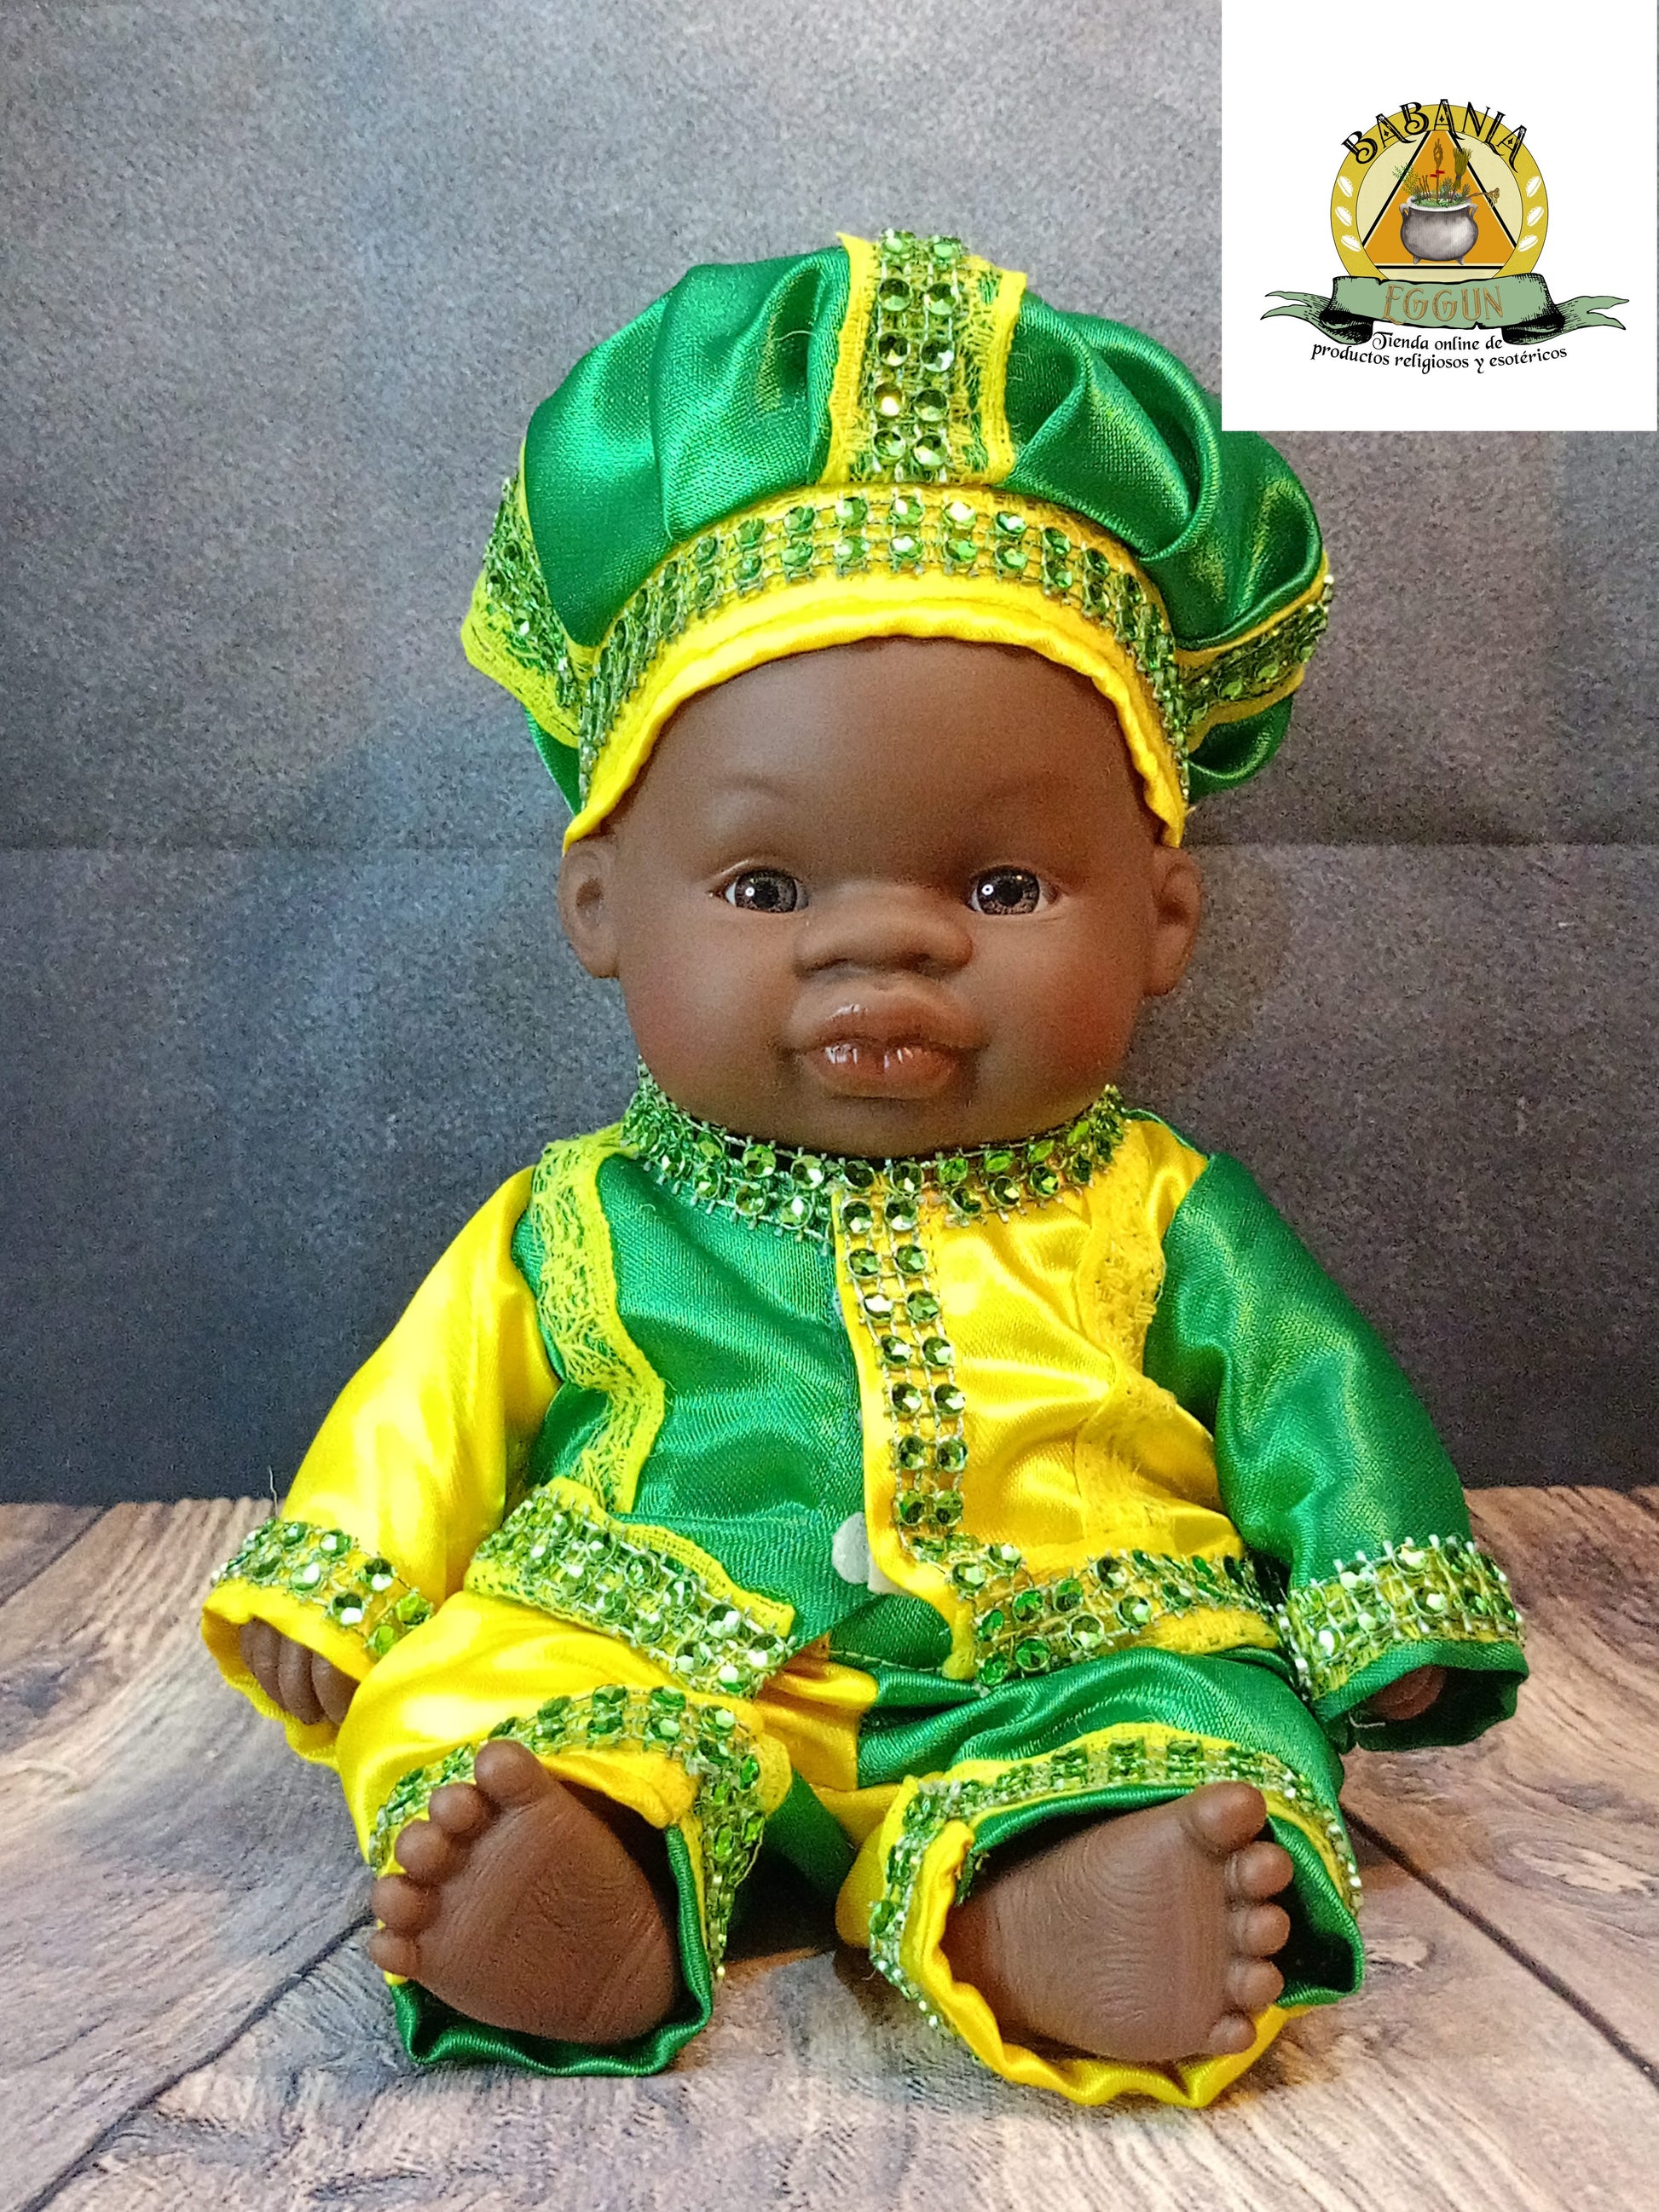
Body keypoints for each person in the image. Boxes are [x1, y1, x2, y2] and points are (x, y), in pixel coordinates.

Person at [202, 231, 1526, 2106]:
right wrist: (343, 1587)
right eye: (765, 886)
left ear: (1162, 916)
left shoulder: (1160, 1213)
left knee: (1196, 1720)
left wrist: (1376, 1607)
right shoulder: (581, 1215)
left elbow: (1312, 1401)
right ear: (600, 905)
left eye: (1003, 885)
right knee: (486, 1686)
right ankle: (588, 1859)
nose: (881, 943)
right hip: (650, 1627)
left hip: (1071, 1637)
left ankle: (1071, 1888)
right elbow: (433, 1410)